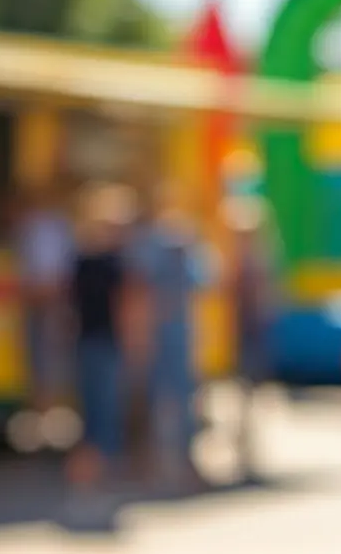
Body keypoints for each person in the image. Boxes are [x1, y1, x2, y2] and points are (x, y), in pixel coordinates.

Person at [129, 184, 211, 491]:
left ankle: (165, 463)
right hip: (166, 331)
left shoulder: (163, 245)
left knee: (171, 398)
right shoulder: (162, 245)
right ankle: (157, 463)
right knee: (166, 398)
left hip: (171, 331)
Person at [64, 188, 128, 497]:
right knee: (104, 409)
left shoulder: (81, 259)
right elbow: (123, 308)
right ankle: (98, 470)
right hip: (103, 341)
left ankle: (89, 470)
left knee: (94, 408)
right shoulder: (112, 264)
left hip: (87, 341)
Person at [227, 198, 280, 484]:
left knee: (249, 389)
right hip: (237, 332)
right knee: (238, 391)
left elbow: (266, 299)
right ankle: (241, 444)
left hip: (253, 331)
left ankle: (247, 446)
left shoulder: (261, 260)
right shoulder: (232, 256)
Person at [15, 185, 74, 433]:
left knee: (47, 367)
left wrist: (42, 300)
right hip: (44, 304)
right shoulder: (39, 228)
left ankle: (48, 423)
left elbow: (50, 277)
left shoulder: (45, 229)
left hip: (46, 305)